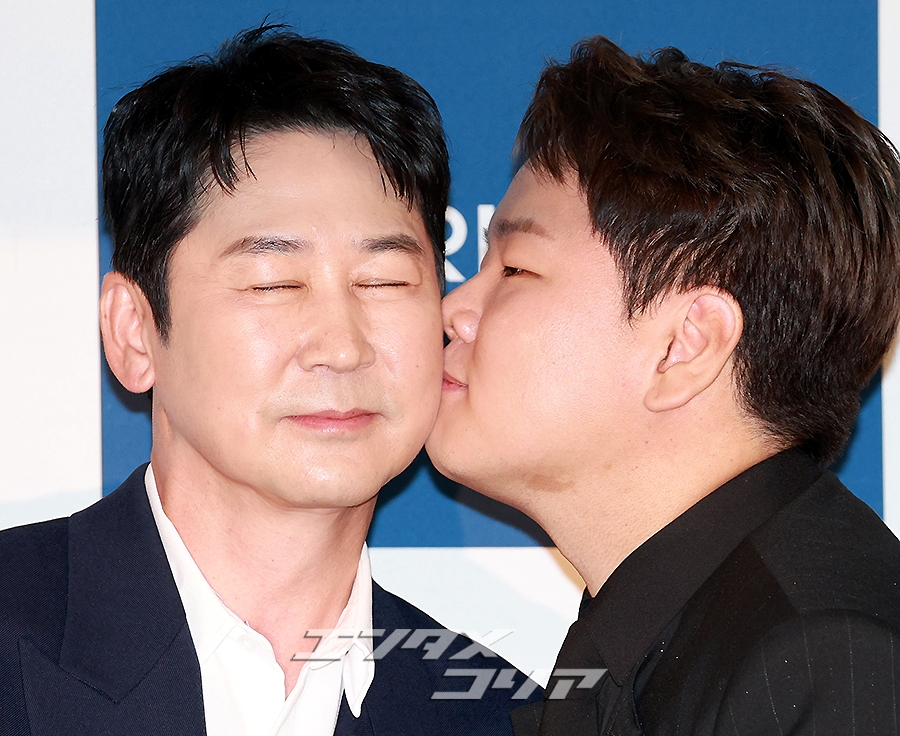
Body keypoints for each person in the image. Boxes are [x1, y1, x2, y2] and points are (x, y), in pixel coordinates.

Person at [0, 26, 536, 735]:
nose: (341, 348)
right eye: (274, 282)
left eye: (384, 279)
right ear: (134, 330)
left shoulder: (504, 716)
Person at [426, 35, 900, 735]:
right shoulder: (665, 637)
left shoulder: (823, 662)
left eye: (516, 268)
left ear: (685, 346)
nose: (455, 310)